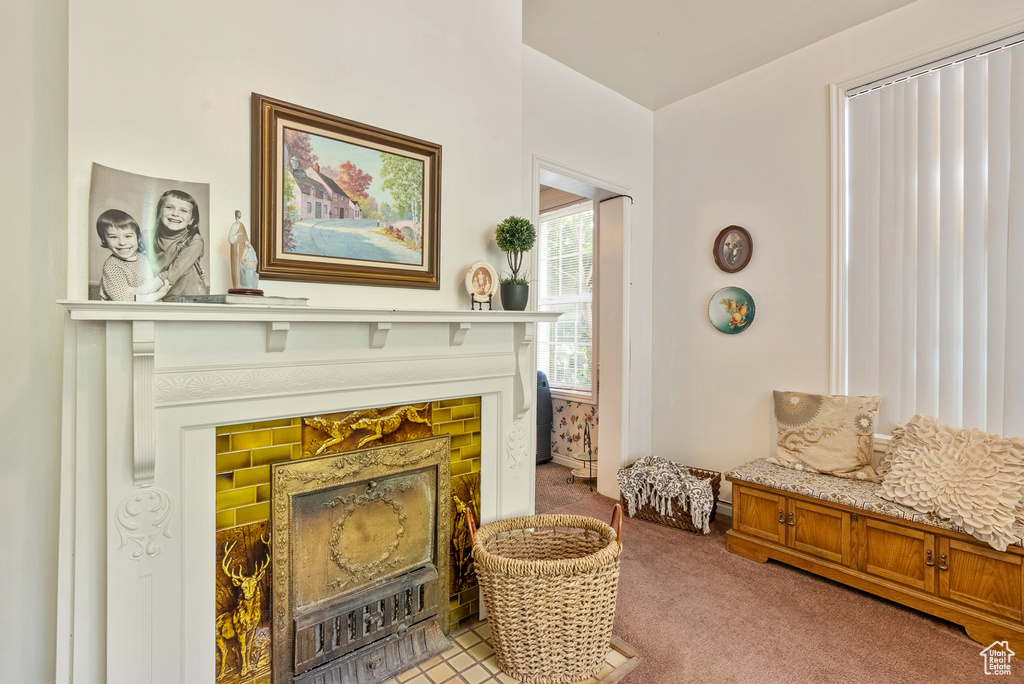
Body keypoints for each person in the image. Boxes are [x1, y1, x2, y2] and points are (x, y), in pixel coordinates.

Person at [96, 208, 170, 301]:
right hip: (122, 312)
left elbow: (147, 288)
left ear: (138, 238)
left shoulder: (142, 258)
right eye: (113, 237)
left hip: (145, 306)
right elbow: (124, 300)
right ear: (104, 240)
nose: (122, 242)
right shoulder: (112, 266)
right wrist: (159, 294)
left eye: (128, 236)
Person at [153, 189, 209, 299]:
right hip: (158, 296)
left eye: (183, 211)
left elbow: (173, 273)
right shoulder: (146, 237)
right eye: (169, 207)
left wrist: (138, 291)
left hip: (189, 299)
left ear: (191, 220)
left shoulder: (194, 240)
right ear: (159, 212)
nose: (175, 214)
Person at [228, 210, 260, 292]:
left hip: (242, 248)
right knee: (236, 264)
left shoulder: (242, 225)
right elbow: (230, 238)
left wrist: (247, 244)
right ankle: (237, 284)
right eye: (239, 214)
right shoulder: (234, 225)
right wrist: (237, 235)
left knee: (243, 265)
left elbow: (245, 238)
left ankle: (244, 283)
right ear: (236, 215)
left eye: (240, 214)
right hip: (236, 248)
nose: (240, 215)